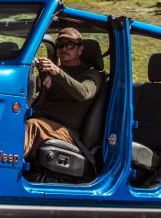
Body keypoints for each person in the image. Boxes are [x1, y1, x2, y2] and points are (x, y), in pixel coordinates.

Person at [25, 28, 105, 156]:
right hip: (43, 121)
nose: (64, 49)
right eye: (60, 45)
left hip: (67, 131)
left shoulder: (91, 74)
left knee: (32, 126)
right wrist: (40, 79)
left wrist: (57, 72)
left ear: (80, 50)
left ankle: (2, 172)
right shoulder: (53, 72)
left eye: (70, 45)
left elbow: (84, 93)